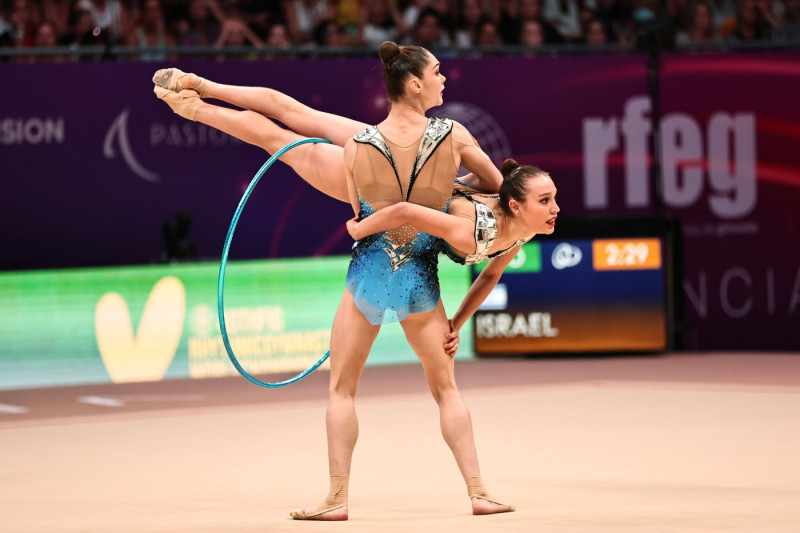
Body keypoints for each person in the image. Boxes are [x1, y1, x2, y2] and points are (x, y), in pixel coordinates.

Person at [152, 41, 516, 519]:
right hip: (419, 280)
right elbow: (496, 187)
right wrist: (450, 194)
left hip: (369, 271)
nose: (444, 78)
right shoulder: (455, 135)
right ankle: (479, 493)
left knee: (283, 129)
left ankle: (337, 499)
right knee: (446, 390)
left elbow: (358, 211)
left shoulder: (362, 144)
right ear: (415, 84)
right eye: (438, 72)